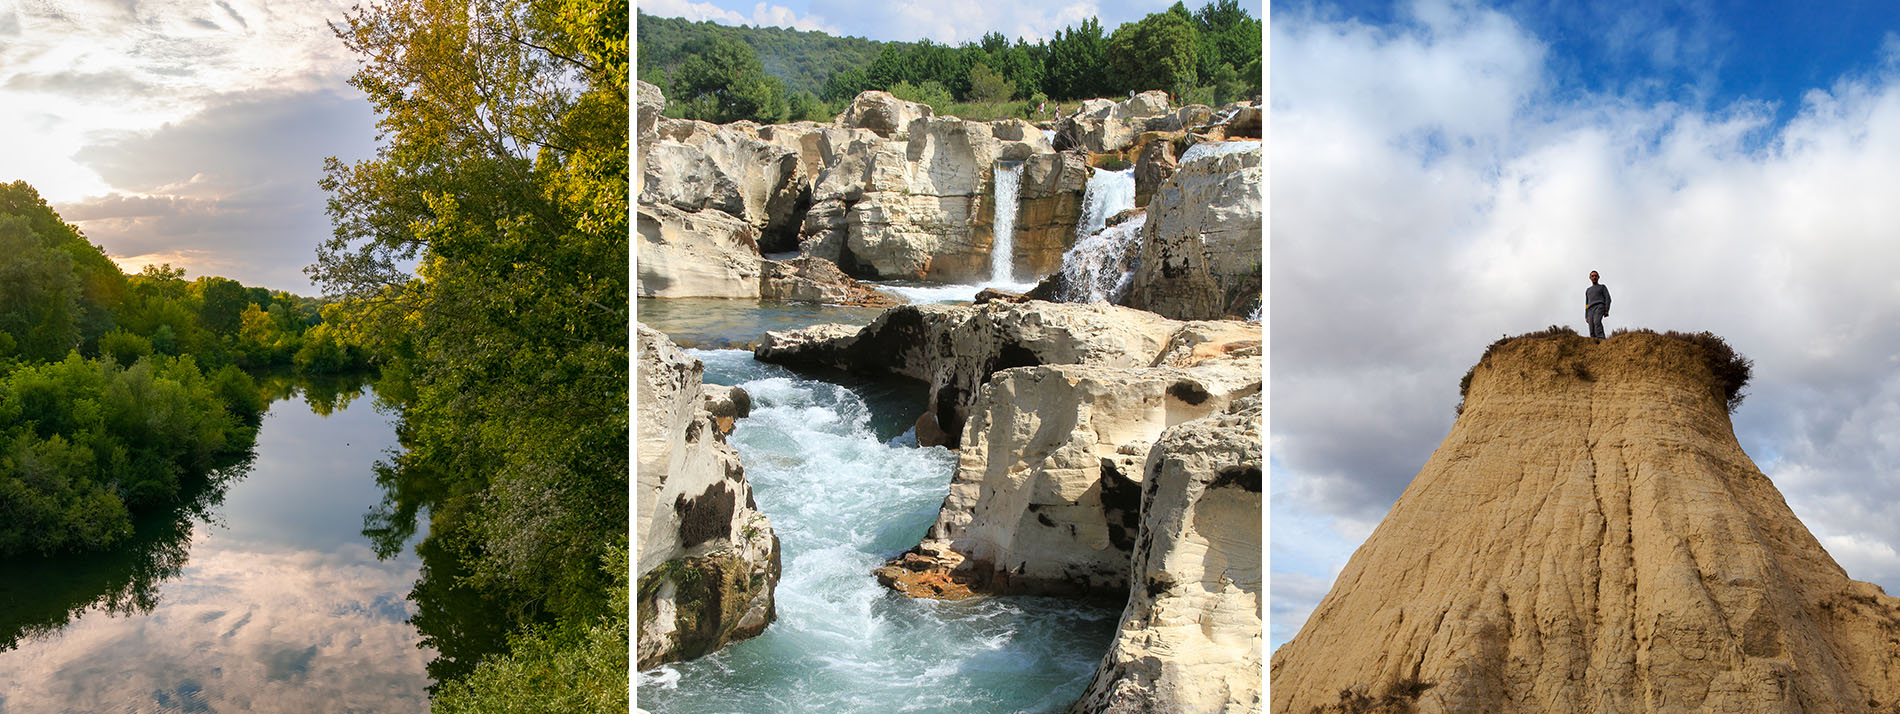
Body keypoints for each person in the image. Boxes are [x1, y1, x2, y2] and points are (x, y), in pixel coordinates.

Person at [1584, 270, 1611, 339]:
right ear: (1590, 278)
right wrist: (1586, 315)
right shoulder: (1588, 290)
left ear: (1598, 277)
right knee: (1591, 327)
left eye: (1596, 276)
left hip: (1599, 306)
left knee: (1597, 322)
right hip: (1590, 310)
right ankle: (1594, 342)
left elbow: (1608, 298)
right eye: (1592, 276)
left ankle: (1601, 339)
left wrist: (1606, 310)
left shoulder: (1602, 287)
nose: (1594, 277)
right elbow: (1587, 303)